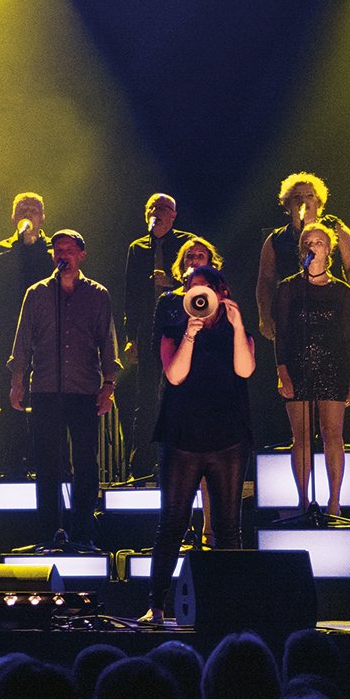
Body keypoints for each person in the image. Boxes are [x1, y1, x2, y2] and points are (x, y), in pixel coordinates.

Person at [144, 264, 254, 623]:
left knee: (228, 527)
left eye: (206, 289)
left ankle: (232, 607)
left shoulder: (236, 331)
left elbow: (245, 370)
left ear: (222, 294)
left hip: (228, 439)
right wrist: (189, 335)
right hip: (182, 439)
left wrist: (237, 327)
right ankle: (157, 604)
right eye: (192, 288)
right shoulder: (174, 331)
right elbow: (175, 375)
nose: (200, 294)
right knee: (171, 524)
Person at [9, 229, 120, 550]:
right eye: (58, 249)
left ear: (81, 255)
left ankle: (82, 532)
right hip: (45, 387)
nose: (63, 254)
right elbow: (23, 341)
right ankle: (49, 533)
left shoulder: (98, 294)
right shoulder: (37, 293)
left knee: (86, 463)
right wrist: (17, 381)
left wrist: (109, 384)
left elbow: (107, 343)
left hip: (84, 388)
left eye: (69, 249)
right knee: (46, 465)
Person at [273, 222, 350, 514]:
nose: (312, 246)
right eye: (307, 242)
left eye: (319, 242)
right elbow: (281, 333)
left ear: (329, 250)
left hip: (332, 365)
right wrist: (282, 370)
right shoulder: (288, 288)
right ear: (301, 250)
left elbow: (347, 334)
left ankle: (335, 503)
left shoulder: (341, 290)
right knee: (301, 437)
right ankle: (303, 501)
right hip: (297, 365)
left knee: (333, 434)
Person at [0, 192, 55, 475]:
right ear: (13, 216)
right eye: (23, 208)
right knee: (11, 397)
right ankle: (12, 465)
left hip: (48, 335)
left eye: (34, 209)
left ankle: (45, 464)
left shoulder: (53, 250)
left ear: (42, 216)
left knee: (47, 399)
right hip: (9, 331)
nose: (28, 213)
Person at [120, 193, 190, 478]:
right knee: (146, 397)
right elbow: (130, 295)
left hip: (178, 331)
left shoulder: (186, 243)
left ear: (173, 216)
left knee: (177, 395)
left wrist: (171, 282)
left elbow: (197, 283)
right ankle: (142, 466)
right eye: (152, 208)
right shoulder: (137, 248)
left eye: (163, 209)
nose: (157, 213)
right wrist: (130, 336)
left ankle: (178, 461)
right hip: (148, 330)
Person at [256, 171, 350, 341]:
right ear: (288, 204)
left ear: (318, 202)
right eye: (297, 196)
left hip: (331, 307)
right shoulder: (276, 239)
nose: (303, 201)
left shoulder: (335, 229)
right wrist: (265, 316)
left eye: (309, 196)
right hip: (292, 314)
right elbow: (265, 280)